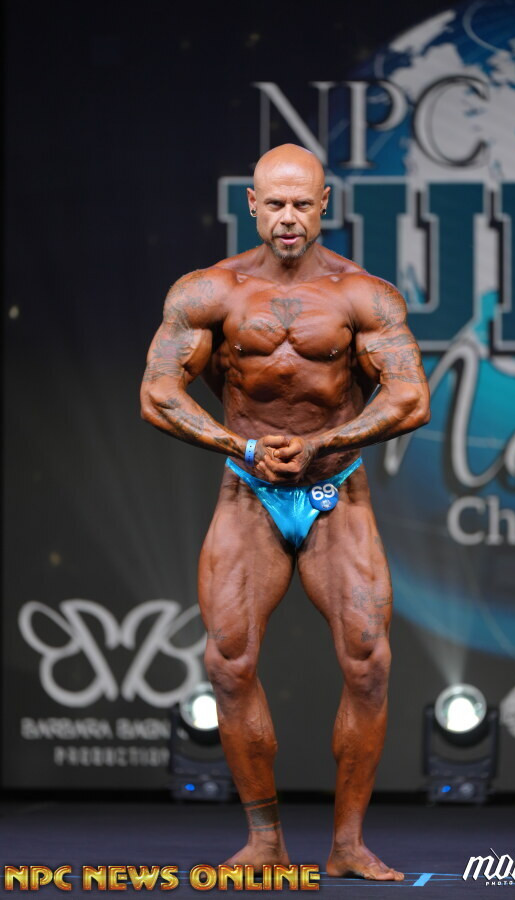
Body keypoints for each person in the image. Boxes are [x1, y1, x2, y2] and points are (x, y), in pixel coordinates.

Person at [141, 144, 430, 881]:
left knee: (369, 661)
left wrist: (325, 441)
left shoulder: (364, 296)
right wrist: (239, 443)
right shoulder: (211, 292)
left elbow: (410, 398)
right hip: (249, 492)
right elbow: (158, 394)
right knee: (227, 661)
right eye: (275, 203)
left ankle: (347, 845)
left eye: (303, 203)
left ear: (325, 203)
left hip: (337, 492)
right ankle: (265, 839)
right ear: (252, 204)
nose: (289, 217)